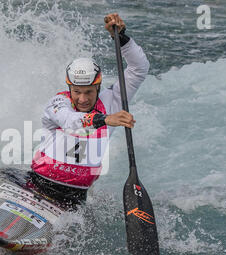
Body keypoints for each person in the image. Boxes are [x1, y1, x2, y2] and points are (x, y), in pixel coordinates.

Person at [29, 12, 150, 206]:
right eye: (77, 92)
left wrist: (121, 38)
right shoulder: (58, 104)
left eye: (89, 92)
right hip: (38, 185)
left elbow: (139, 68)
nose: (83, 99)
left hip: (77, 197)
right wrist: (104, 119)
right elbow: (71, 122)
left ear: (98, 87)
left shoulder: (112, 101)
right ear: (70, 88)